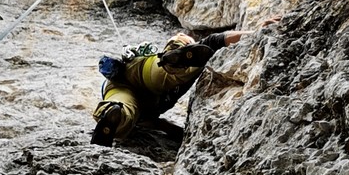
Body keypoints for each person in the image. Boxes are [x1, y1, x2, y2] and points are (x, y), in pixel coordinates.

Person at [90, 29, 246, 146]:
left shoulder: (147, 117)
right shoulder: (199, 53)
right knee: (165, 71)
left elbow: (160, 125)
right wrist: (255, 34)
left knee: (122, 110)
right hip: (143, 72)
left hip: (122, 85)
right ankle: (174, 61)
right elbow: (216, 40)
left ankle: (111, 113)